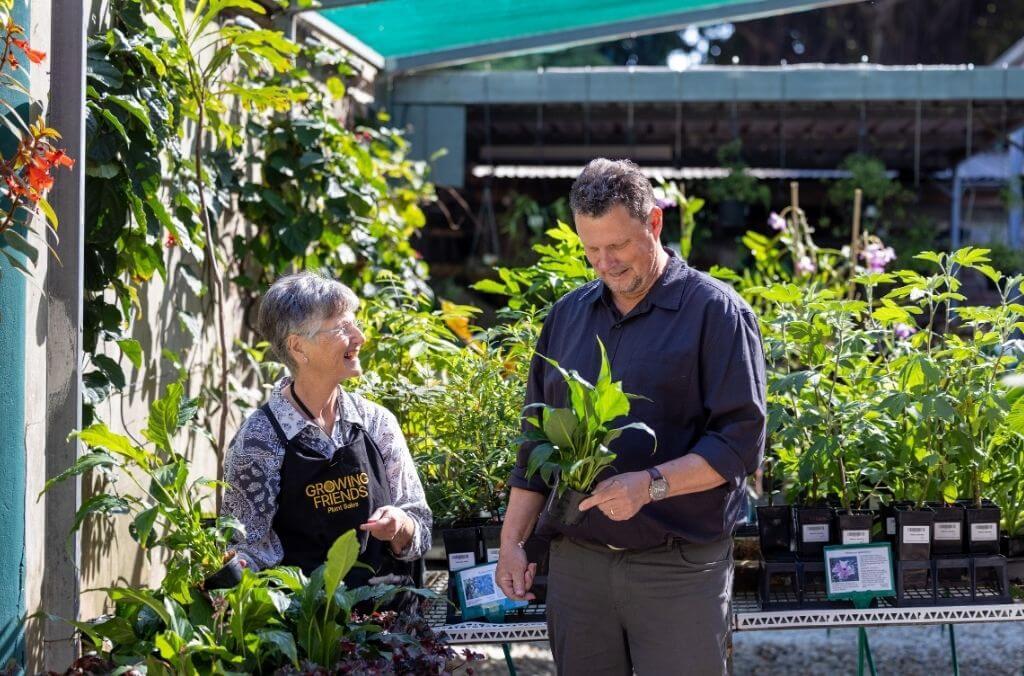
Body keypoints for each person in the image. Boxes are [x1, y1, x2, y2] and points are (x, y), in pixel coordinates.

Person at [495, 159, 766, 675]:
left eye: (617, 246)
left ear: (655, 223)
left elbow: (739, 443)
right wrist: (511, 543)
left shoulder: (716, 313)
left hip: (678, 566)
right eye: (591, 249)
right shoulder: (567, 317)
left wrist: (651, 484)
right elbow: (535, 441)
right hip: (579, 567)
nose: (605, 263)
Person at [223, 272, 431, 597]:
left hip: (388, 625)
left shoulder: (376, 423)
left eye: (354, 323)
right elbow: (248, 549)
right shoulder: (259, 441)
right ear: (298, 347)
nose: (359, 336)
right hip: (307, 631)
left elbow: (421, 530)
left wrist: (400, 525)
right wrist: (237, 567)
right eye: (341, 328)